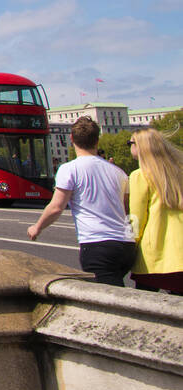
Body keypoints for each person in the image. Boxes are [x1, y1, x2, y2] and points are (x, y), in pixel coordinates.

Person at [28, 117, 135, 285]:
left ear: (71, 139)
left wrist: (37, 227)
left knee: (106, 301)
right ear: (97, 140)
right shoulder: (118, 172)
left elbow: (56, 207)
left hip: (97, 244)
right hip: (127, 244)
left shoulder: (69, 169)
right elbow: (127, 208)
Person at [125, 128, 183, 294]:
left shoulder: (139, 176)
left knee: (145, 305)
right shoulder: (179, 173)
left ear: (140, 146)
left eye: (130, 143)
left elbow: (135, 218)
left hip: (153, 255)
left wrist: (128, 245)